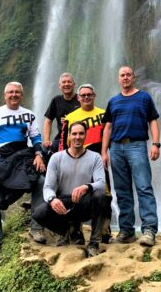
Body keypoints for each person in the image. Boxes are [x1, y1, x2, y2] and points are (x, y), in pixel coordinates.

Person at [0, 82, 46, 262]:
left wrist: (38, 154)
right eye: (10, 92)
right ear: (4, 95)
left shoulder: (28, 115)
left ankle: (36, 228)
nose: (14, 95)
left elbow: (36, 136)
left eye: (17, 92)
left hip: (21, 158)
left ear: (22, 95)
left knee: (40, 182)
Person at [101, 66, 161, 247]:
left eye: (128, 75)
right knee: (122, 190)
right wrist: (104, 151)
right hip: (116, 148)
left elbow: (153, 121)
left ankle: (149, 230)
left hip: (137, 145)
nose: (125, 78)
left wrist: (156, 144)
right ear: (118, 79)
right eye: (122, 75)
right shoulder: (113, 101)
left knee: (143, 187)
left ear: (133, 78)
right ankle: (126, 231)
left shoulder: (144, 98)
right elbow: (108, 128)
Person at [33, 121, 106, 257]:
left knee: (100, 195)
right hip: (62, 203)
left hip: (83, 202)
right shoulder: (56, 158)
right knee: (38, 213)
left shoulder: (95, 157)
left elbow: (101, 183)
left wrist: (87, 187)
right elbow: (48, 187)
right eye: (74, 134)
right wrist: (52, 199)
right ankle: (66, 231)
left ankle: (94, 243)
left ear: (85, 136)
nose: (77, 137)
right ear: (69, 136)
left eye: (81, 133)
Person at [61, 84, 112, 242]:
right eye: (83, 95)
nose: (86, 97)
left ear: (94, 95)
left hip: (99, 158)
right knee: (75, 194)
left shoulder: (104, 114)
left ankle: (104, 230)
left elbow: (108, 135)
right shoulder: (70, 117)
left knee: (104, 194)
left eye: (89, 94)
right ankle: (76, 231)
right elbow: (63, 142)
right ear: (78, 97)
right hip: (78, 159)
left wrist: (105, 153)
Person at [43, 73, 80, 153]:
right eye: (64, 82)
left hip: (79, 136)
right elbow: (48, 121)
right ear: (59, 86)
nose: (66, 84)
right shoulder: (56, 100)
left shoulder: (80, 99)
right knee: (46, 151)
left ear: (74, 85)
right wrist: (46, 140)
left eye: (69, 82)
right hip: (61, 137)